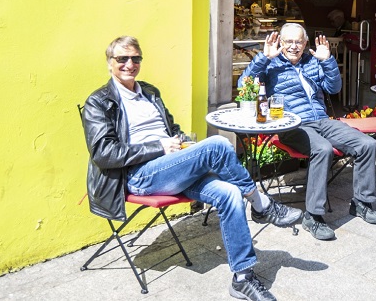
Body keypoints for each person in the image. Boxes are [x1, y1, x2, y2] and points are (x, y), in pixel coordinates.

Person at [82, 36, 301, 301]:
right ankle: (262, 204)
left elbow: (171, 129)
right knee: (218, 144)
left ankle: (242, 278)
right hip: (139, 175)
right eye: (122, 59)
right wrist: (160, 147)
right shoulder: (99, 101)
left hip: (172, 167)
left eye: (135, 58)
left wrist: (182, 144)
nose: (130, 64)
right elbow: (104, 154)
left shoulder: (149, 92)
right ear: (110, 64)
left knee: (230, 194)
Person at [241, 23, 376, 240]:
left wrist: (328, 61)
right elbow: (244, 84)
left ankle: (362, 203)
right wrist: (264, 58)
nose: (293, 46)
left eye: (298, 41)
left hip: (323, 121)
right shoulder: (271, 65)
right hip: (292, 125)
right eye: (288, 41)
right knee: (323, 149)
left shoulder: (312, 62)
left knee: (367, 144)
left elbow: (334, 88)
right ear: (280, 42)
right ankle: (313, 217)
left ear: (305, 43)